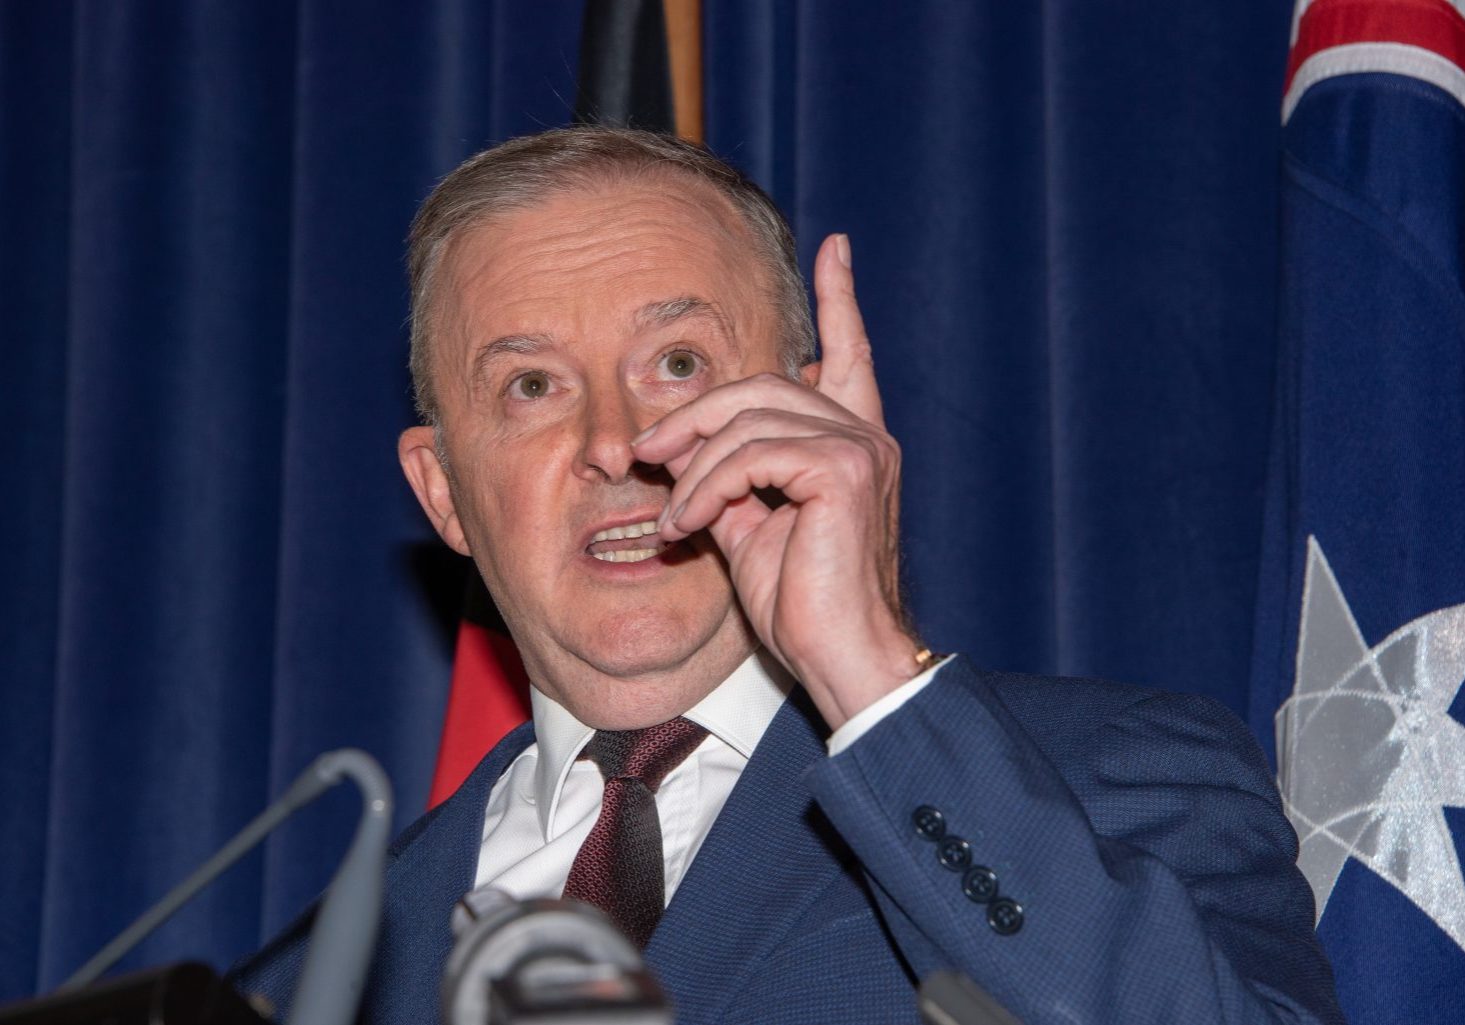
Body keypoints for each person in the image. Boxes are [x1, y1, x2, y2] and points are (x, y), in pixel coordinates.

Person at [235, 127, 1343, 1024]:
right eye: (531, 386)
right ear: (441, 493)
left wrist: (862, 666)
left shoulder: (1109, 776)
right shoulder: (324, 972)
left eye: (677, 365)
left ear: (810, 418)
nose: (614, 444)